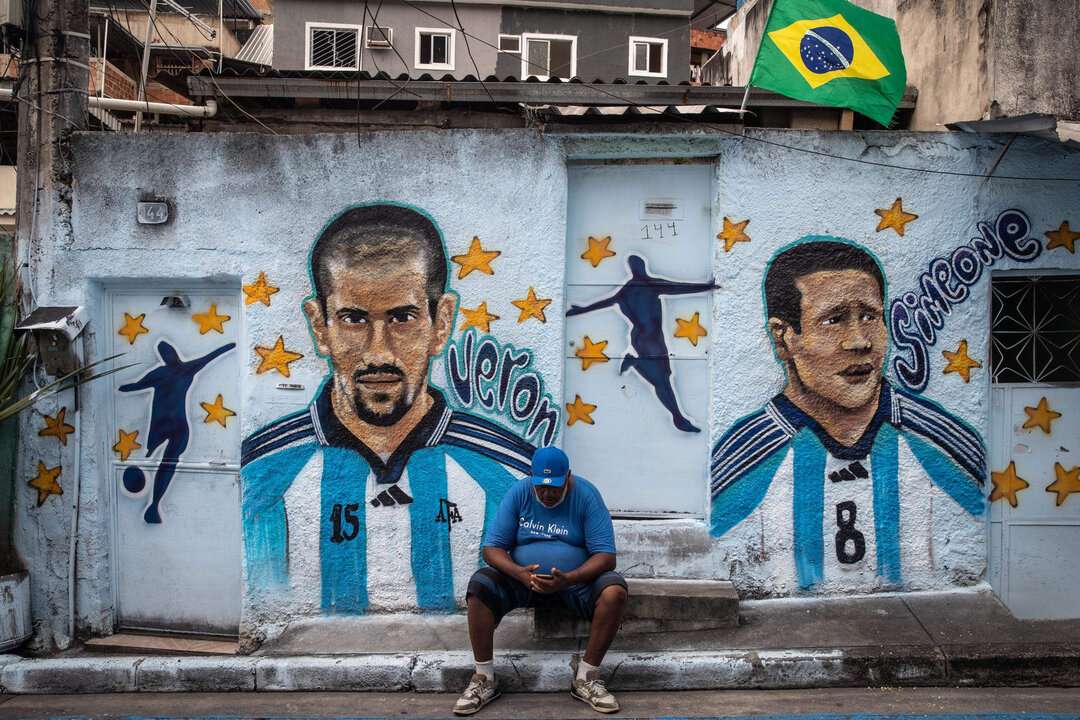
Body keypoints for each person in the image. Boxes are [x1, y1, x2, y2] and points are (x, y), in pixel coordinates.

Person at [241, 203, 535, 614]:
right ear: (319, 327)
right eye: (353, 319)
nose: (378, 352)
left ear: (441, 323)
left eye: (402, 318)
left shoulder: (510, 474)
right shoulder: (261, 477)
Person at [709, 238, 987, 591]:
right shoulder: (747, 456)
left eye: (870, 317)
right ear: (783, 339)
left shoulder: (940, 442)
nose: (859, 341)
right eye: (833, 320)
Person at [454, 447, 627, 716]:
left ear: (568, 477)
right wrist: (518, 572)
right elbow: (491, 550)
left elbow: (606, 556)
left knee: (614, 590)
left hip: (574, 583)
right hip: (524, 582)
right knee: (479, 585)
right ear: (532, 477)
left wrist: (568, 578)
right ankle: (485, 678)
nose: (547, 494)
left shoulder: (586, 495)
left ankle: (587, 677)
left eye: (554, 488)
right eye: (541, 487)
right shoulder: (520, 492)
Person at [566, 253, 715, 433]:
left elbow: (604, 303)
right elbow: (678, 288)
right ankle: (677, 417)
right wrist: (706, 287)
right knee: (662, 381)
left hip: (639, 339)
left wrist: (581, 310)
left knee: (661, 381)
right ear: (640, 267)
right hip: (653, 340)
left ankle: (639, 365)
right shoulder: (650, 284)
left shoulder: (626, 291)